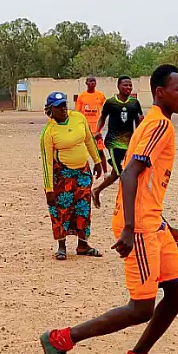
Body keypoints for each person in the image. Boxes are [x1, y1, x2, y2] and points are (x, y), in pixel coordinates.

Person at [40, 65, 178, 354]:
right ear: (159, 93)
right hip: (139, 227)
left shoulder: (158, 123)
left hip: (152, 223)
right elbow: (130, 173)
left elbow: (144, 178)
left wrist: (164, 222)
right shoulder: (157, 126)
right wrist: (129, 228)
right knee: (141, 308)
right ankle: (60, 339)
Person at [40, 91, 105, 260]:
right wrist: (48, 189)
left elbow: (89, 140)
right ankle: (61, 246)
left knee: (83, 207)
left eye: (64, 105)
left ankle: (83, 245)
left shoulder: (78, 118)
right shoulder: (49, 132)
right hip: (62, 175)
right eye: (58, 107)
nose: (63, 109)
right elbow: (46, 163)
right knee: (61, 209)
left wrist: (97, 161)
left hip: (82, 172)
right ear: (50, 110)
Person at [92, 76, 144, 202]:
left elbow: (139, 120)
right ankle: (128, 200)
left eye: (130, 85)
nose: (128, 88)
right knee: (120, 172)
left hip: (129, 142)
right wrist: (97, 131)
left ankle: (97, 190)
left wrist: (140, 135)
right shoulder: (110, 102)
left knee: (123, 171)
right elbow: (102, 117)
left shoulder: (134, 103)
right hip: (113, 142)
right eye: (125, 85)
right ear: (118, 86)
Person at [75, 75, 108, 166]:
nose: (92, 83)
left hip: (97, 129)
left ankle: (105, 174)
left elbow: (106, 108)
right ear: (86, 83)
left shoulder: (100, 96)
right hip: (85, 129)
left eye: (94, 81)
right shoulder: (81, 97)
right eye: (90, 81)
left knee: (100, 152)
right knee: (83, 152)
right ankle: (84, 171)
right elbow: (77, 113)